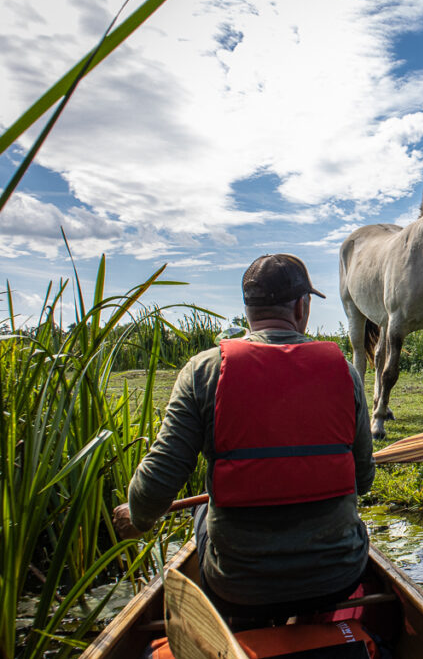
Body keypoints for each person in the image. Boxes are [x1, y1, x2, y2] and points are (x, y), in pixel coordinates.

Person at [113, 253, 375, 623]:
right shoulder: (346, 373)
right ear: (302, 307)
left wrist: (138, 518)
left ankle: (245, 628)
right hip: (339, 578)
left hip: (238, 588)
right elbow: (362, 480)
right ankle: (315, 624)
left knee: (204, 508)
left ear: (248, 309)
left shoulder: (204, 371)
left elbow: (156, 484)